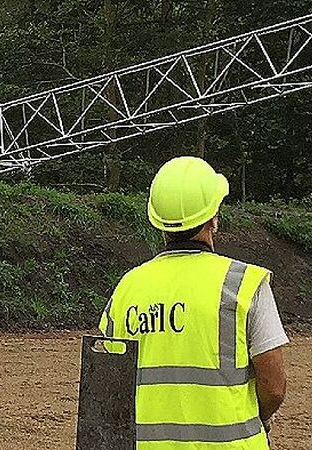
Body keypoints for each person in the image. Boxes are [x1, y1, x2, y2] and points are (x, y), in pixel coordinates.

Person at [99, 156, 288, 449]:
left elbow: (112, 388)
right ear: (213, 218)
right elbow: (273, 387)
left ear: (158, 222)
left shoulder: (127, 288)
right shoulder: (243, 283)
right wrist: (257, 417)